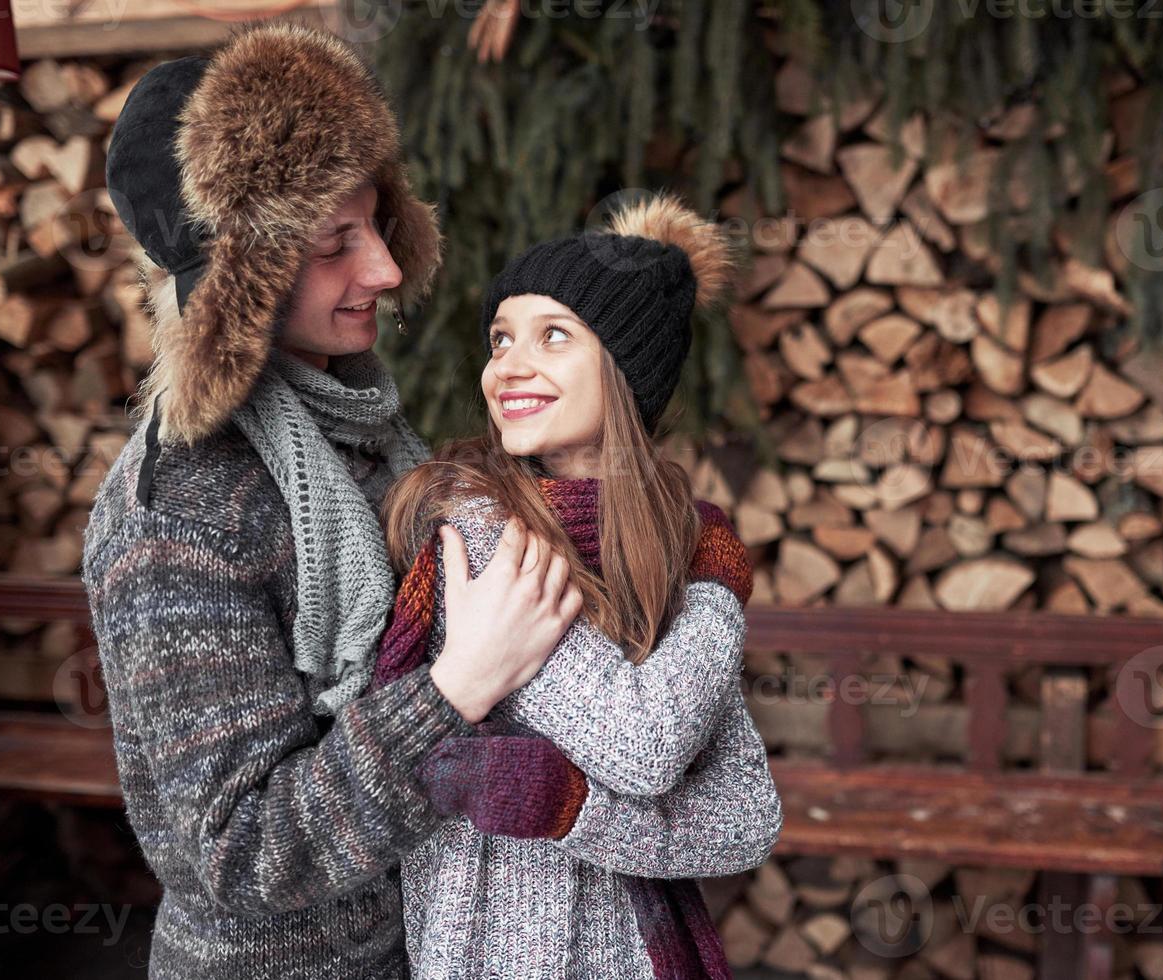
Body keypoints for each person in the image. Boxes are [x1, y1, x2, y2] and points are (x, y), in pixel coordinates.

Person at [85, 25, 590, 977]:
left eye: (375, 224)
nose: (387, 271)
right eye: (333, 244)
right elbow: (241, 852)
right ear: (239, 283)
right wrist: (458, 689)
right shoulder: (175, 517)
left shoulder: (362, 440)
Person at [371, 193, 784, 978]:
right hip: (490, 953)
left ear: (626, 370)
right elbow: (645, 747)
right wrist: (719, 587)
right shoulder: (482, 534)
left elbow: (745, 818)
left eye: (551, 336)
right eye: (499, 339)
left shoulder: (661, 554)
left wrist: (570, 807)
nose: (506, 367)